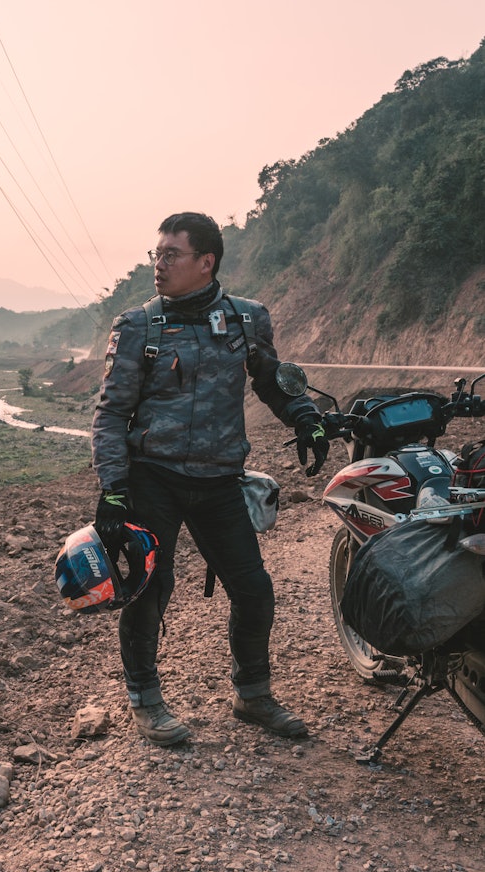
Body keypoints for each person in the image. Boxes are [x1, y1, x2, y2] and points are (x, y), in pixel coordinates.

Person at [91, 211, 328, 746]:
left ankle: (253, 694)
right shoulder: (138, 327)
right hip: (154, 479)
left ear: (206, 262)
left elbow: (272, 381)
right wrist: (112, 488)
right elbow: (110, 414)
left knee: (253, 589)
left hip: (221, 481)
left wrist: (305, 417)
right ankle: (146, 702)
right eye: (157, 254)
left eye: (171, 255)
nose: (158, 265)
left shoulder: (247, 320)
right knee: (149, 591)